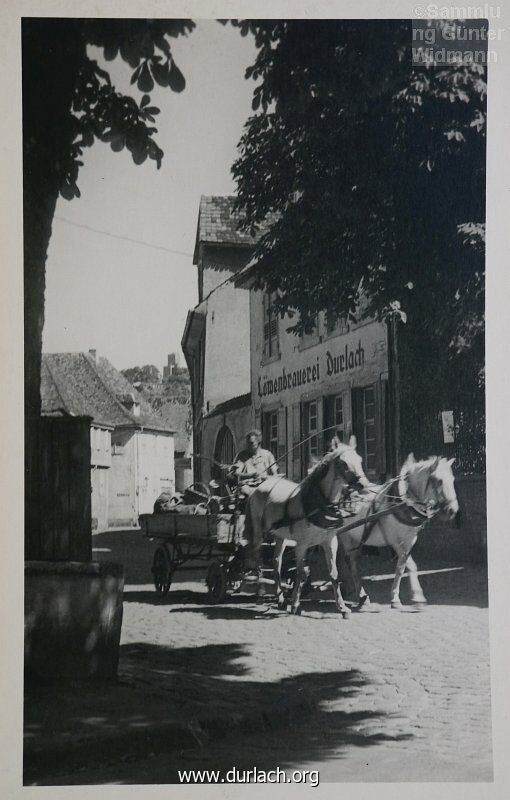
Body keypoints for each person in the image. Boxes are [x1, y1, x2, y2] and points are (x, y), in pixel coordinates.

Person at [230, 429, 279, 497]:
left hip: (265, 485)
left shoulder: (267, 455)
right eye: (247, 443)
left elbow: (275, 474)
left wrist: (267, 477)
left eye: (251, 443)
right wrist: (251, 475)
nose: (248, 445)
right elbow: (236, 474)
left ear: (258, 442)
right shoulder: (241, 456)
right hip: (247, 487)